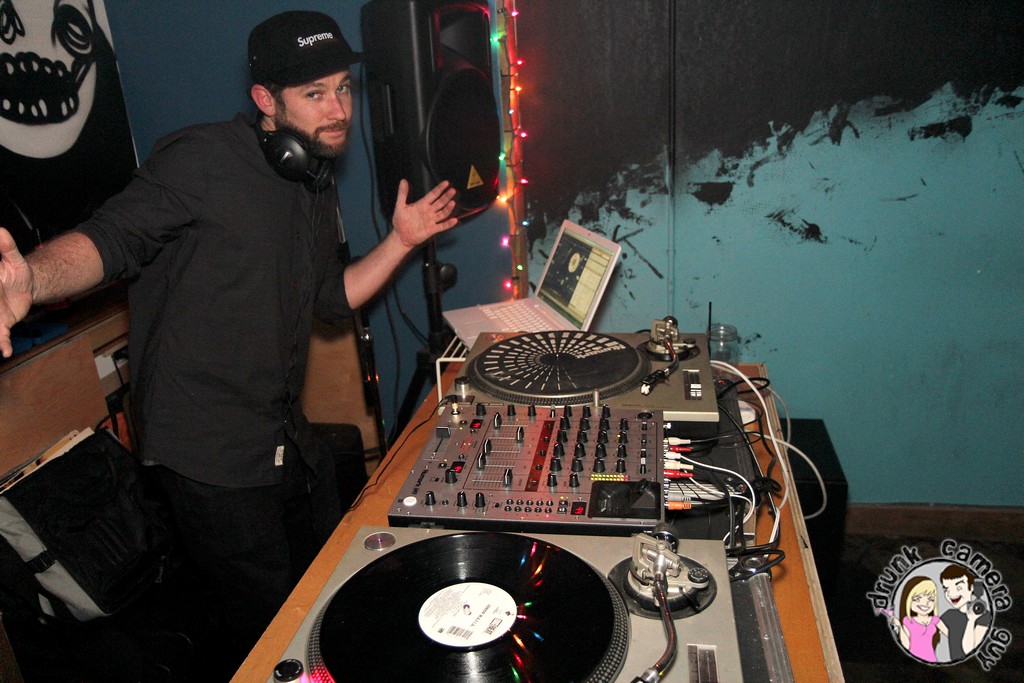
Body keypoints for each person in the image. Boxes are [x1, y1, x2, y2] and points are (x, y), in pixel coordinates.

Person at [0, 10, 457, 672]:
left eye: (343, 88)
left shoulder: (308, 175)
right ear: (265, 100)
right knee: (269, 630)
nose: (338, 110)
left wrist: (401, 240)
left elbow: (332, 298)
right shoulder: (201, 161)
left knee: (328, 584)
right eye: (315, 93)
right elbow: (110, 240)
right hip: (209, 455)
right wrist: (32, 277)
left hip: (283, 435)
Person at [889, 576, 948, 662]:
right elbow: (907, 645)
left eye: (931, 599)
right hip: (913, 661)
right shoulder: (908, 621)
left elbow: (951, 635)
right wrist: (899, 626)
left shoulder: (935, 620)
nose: (925, 603)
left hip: (931, 659)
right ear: (908, 600)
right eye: (917, 599)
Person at [939, 565, 991, 661]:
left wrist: (971, 620)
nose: (951, 593)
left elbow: (969, 650)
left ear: (971, 587)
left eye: (958, 588)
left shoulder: (984, 616)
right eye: (946, 589)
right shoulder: (949, 615)